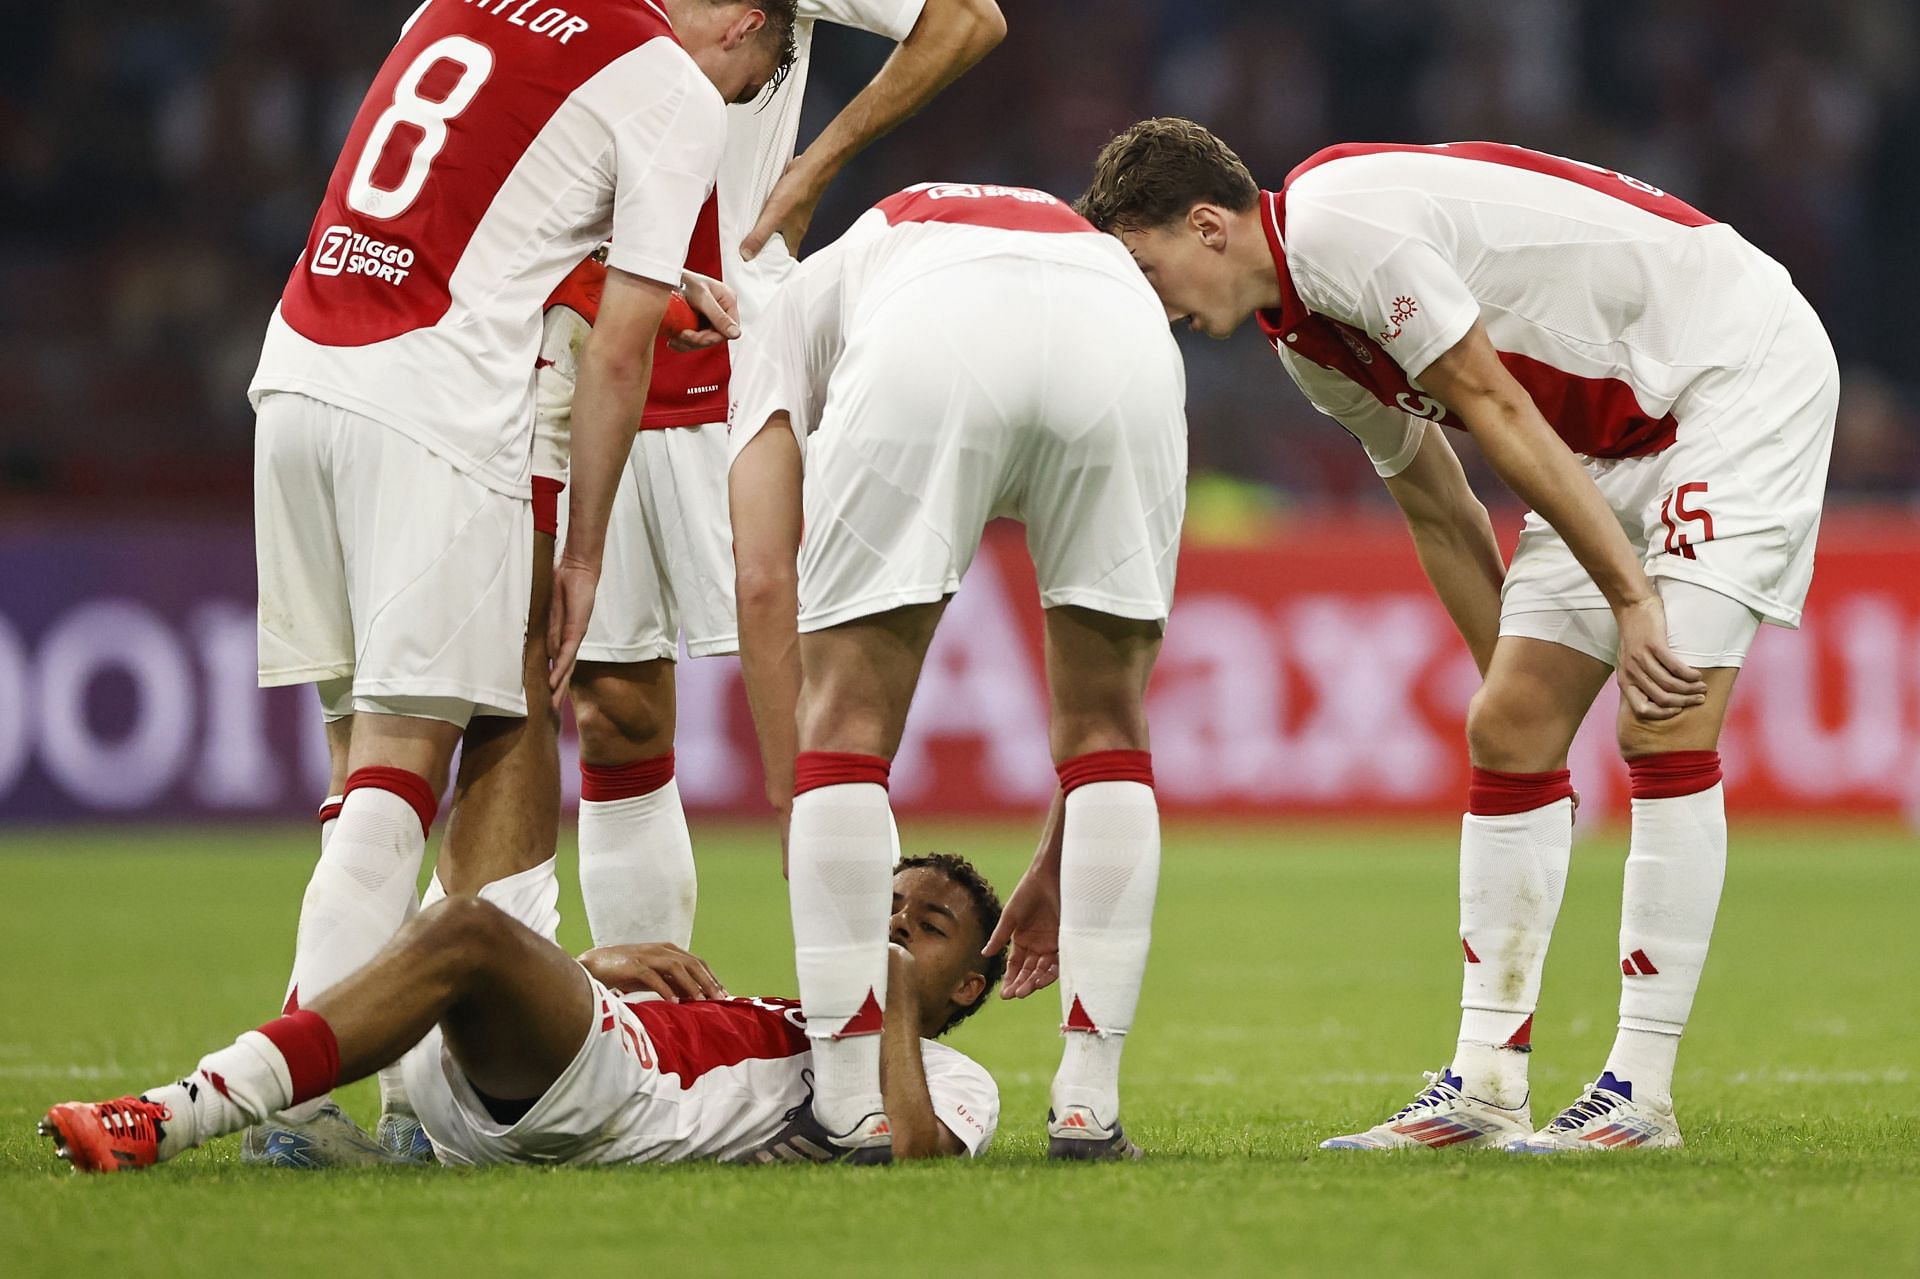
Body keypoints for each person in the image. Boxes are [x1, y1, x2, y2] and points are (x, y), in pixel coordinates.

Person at [1077, 119, 1837, 1152]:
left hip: (1733, 370)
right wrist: (1519, 696)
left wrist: (1631, 599)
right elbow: (1440, 505)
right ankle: (1484, 1088)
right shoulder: (1303, 336)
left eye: (1142, 264)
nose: (1149, 303)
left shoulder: (1340, 225)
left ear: (1206, 225)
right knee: (1508, 729)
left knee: (1666, 724)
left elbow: (1492, 400)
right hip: (1601, 439)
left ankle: (1640, 1095)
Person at [244, 0, 795, 1164]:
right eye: (750, 87)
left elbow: (483, 199)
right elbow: (619, 351)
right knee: (406, 771)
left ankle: (398, 1115)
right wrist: (584, 553)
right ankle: (293, 1114)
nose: (730, 104)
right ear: (748, 29)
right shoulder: (670, 82)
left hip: (297, 372)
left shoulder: (459, 3)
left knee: (361, 770)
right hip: (435, 407)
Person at [726, 181, 1188, 1160]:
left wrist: (791, 800)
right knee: (1109, 728)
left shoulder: (782, 311)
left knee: (847, 726)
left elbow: (765, 580)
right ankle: (1087, 1106)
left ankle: (849, 1106)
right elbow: (1108, 732)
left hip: (930, 346)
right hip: (1124, 332)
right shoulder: (895, 247)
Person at [562, 0, 1006, 956]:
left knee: (814, 722)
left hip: (734, 352)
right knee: (612, 713)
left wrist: (814, 165)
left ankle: (860, 1038)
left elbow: (967, 18)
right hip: (573, 349)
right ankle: (648, 1035)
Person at [41, 857, 1004, 1172]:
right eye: (884, 904)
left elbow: (911, 1155)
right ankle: (409, 1127)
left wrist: (886, 995)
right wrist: (590, 967)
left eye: (927, 927)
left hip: (610, 1104)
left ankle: (173, 1113)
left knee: (463, 928)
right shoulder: (780, 1006)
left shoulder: (959, 1080)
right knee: (509, 741)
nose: (893, 925)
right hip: (522, 1077)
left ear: (969, 983)